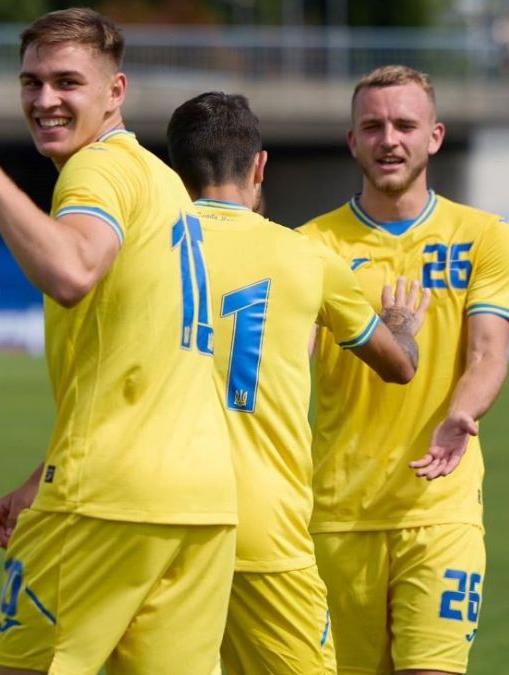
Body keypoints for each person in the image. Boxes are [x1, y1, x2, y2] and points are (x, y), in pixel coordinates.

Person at [0, 9, 236, 674]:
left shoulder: (95, 172)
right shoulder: (161, 181)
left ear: (115, 91)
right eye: (31, 82)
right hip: (200, 500)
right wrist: (38, 476)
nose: (45, 100)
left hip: (106, 498)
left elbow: (71, 271)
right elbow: (137, 366)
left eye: (67, 82)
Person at [166, 91, 430, 675]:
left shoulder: (143, 246)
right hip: (265, 524)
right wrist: (401, 325)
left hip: (160, 517)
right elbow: (398, 365)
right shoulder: (306, 257)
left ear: (175, 171)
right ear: (260, 166)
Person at [298, 65, 509, 675]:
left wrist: (460, 411)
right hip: (337, 511)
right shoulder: (311, 246)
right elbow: (290, 367)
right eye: (372, 126)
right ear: (352, 141)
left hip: (440, 507)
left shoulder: (485, 237)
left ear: (435, 136)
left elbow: (487, 353)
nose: (388, 139)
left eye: (404, 125)